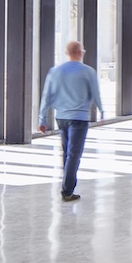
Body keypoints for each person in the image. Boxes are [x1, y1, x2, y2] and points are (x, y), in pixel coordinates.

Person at [37, 39, 104, 202]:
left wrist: (42, 118)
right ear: (80, 52)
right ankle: (67, 190)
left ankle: (67, 186)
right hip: (79, 118)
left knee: (67, 152)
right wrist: (102, 111)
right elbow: (96, 93)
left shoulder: (55, 71)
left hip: (62, 117)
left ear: (68, 53)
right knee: (74, 154)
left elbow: (47, 96)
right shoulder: (88, 72)